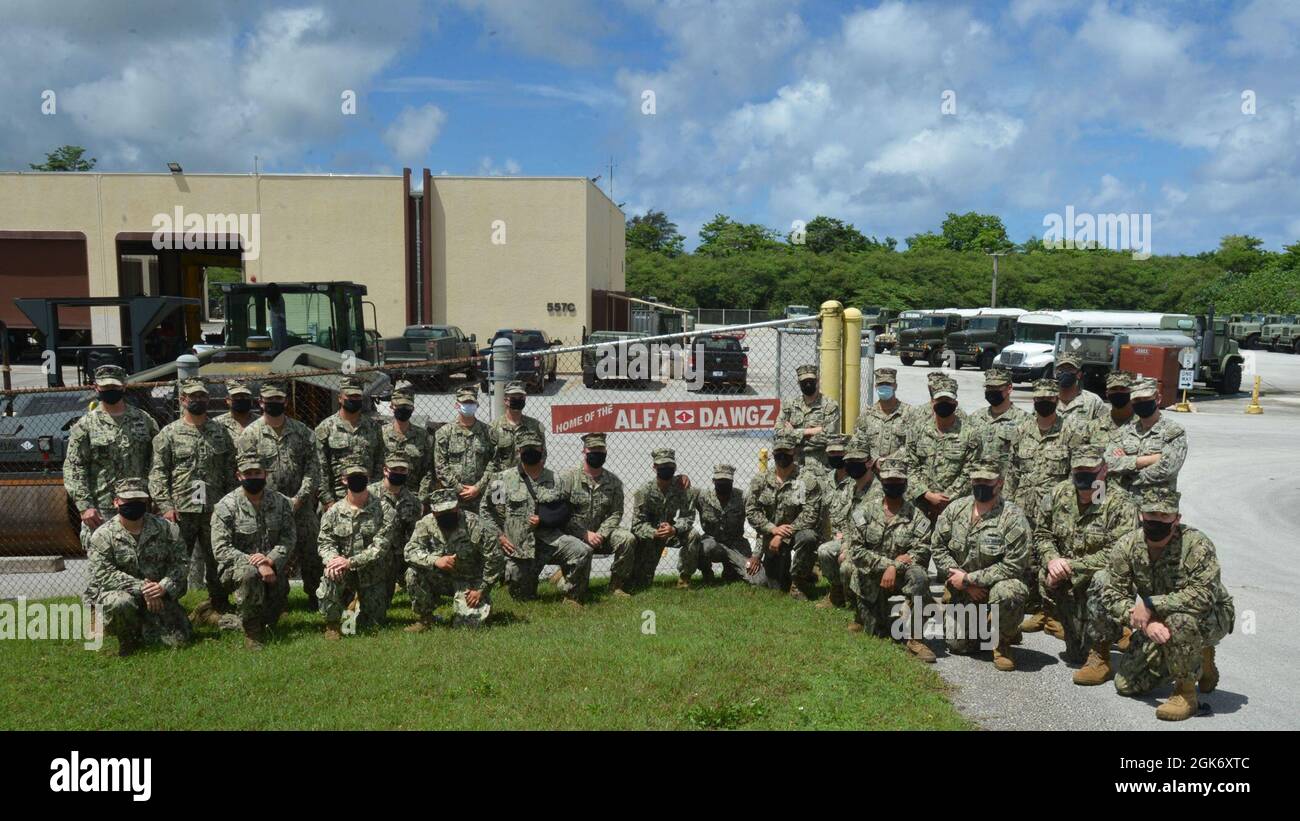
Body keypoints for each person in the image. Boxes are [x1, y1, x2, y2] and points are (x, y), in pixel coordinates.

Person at [1092, 488, 1234, 720]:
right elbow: (1112, 593)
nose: (1156, 521)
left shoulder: (1196, 544)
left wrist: (1150, 603)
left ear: (1176, 519)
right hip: (1158, 617)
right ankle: (1196, 657)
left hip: (1208, 615)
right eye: (1151, 515)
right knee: (1126, 684)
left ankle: (1186, 692)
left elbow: (1204, 595)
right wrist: (1144, 623)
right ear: (1141, 516)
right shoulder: (1128, 545)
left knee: (1180, 620)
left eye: (1164, 516)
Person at [1034, 444, 1139, 670]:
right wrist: (1052, 560)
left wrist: (1070, 566)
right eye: (1078, 470)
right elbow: (1042, 534)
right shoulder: (1058, 494)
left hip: (1096, 583)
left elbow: (1117, 554)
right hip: (1069, 585)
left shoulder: (1121, 503)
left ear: (1104, 470)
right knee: (1075, 656)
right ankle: (1097, 633)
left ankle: (1102, 653)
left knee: (1104, 579)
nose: (1084, 475)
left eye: (1090, 470)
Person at [1005, 377, 1089, 636]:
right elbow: (1012, 470)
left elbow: (1082, 473)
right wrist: (1006, 505)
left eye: (1049, 399)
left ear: (1056, 400)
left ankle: (1054, 615)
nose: (1043, 403)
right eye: (1039, 399)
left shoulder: (1073, 432)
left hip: (1057, 511)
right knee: (1026, 561)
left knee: (1051, 559)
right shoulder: (1021, 430)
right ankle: (1034, 610)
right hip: (1023, 508)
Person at [931, 459, 1031, 671]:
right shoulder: (955, 509)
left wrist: (970, 579)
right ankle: (992, 624)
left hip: (994, 587)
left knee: (1009, 591)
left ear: (1000, 483)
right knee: (959, 645)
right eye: (977, 480)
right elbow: (938, 548)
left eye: (987, 481)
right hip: (962, 589)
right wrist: (961, 582)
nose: (981, 485)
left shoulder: (1012, 517)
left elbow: (1014, 564)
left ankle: (1002, 642)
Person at [149, 379, 236, 617]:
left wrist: (229, 505)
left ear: (208, 399)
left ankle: (219, 603)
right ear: (182, 400)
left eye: (201, 396)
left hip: (214, 510)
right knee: (177, 561)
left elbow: (230, 470)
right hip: (181, 511)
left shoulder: (220, 432)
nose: (197, 400)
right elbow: (158, 473)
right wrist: (165, 505)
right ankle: (170, 606)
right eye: (192, 396)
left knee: (217, 559)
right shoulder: (169, 434)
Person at [238, 381, 323, 610]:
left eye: (278, 400)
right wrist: (274, 502)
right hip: (267, 510)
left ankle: (317, 598)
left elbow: (313, 470)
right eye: (269, 400)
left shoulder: (303, 432)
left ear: (285, 401)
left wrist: (299, 498)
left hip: (301, 507)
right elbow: (248, 473)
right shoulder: (250, 435)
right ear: (260, 402)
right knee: (273, 556)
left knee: (312, 554)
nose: (274, 404)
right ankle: (276, 601)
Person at [484, 429, 591, 606]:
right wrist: (500, 537)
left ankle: (572, 597)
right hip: (519, 547)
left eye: (534, 449)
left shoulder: (556, 479)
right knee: (523, 598)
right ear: (518, 451)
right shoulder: (500, 480)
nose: (530, 452)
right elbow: (488, 512)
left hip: (550, 541)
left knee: (581, 551)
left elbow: (568, 510)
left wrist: (549, 519)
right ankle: (524, 581)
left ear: (542, 451)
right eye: (526, 449)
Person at [85, 477, 192, 655]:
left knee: (178, 642)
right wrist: (144, 588)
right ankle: (127, 641)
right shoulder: (102, 535)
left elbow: (181, 563)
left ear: (146, 502)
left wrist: (163, 586)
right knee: (120, 603)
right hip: (123, 593)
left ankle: (148, 626)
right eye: (128, 501)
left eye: (139, 501)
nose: (134, 504)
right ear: (116, 502)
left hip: (158, 596)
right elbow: (104, 574)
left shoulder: (167, 529)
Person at [65, 364, 160, 552]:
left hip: (139, 505)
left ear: (124, 386)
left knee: (143, 563)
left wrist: (157, 498)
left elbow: (157, 462)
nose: (110, 391)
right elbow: (74, 467)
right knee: (103, 568)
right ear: (96, 387)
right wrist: (85, 507)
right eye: (105, 387)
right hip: (101, 509)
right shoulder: (85, 426)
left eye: (114, 387)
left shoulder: (143, 420)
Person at [846, 457, 934, 659]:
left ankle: (916, 638)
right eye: (888, 481)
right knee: (877, 633)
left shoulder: (917, 517)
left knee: (919, 577)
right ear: (881, 481)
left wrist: (895, 568)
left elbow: (922, 551)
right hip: (872, 580)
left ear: (905, 484)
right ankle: (864, 616)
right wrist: (891, 565)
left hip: (902, 579)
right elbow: (857, 552)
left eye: (898, 481)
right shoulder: (864, 512)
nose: (893, 485)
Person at [209, 451, 296, 649]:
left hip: (272, 567)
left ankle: (216, 617)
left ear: (265, 474)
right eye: (248, 474)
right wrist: (255, 562)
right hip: (236, 571)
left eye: (257, 473)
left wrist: (270, 560)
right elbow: (221, 549)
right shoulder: (225, 506)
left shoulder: (281, 502)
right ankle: (252, 634)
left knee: (269, 622)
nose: (253, 477)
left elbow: (289, 538)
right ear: (239, 476)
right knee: (250, 576)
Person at [316, 455, 394, 638]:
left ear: (368, 478)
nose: (357, 479)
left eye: (361, 475)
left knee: (374, 623)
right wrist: (333, 561)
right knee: (330, 576)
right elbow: (325, 542)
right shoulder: (333, 512)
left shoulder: (385, 510)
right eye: (352, 476)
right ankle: (332, 625)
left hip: (372, 572)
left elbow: (380, 546)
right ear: (343, 480)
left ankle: (356, 605)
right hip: (343, 572)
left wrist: (349, 562)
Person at [404, 488, 503, 629]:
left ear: (457, 507)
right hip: (440, 578)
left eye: (450, 510)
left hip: (469, 582)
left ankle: (482, 606)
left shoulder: (474, 524)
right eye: (441, 512)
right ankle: (426, 619)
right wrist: (435, 560)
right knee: (412, 573)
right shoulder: (426, 523)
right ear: (433, 511)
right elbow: (410, 551)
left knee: (466, 626)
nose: (446, 515)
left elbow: (495, 557)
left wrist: (481, 590)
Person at [745, 431, 823, 598]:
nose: (782, 456)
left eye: (786, 452)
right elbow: (752, 511)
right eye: (778, 452)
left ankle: (798, 582)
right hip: (769, 536)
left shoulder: (806, 480)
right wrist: (772, 529)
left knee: (808, 537)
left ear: (793, 452)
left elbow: (810, 514)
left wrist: (783, 534)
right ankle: (792, 575)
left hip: (796, 533)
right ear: (773, 454)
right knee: (775, 586)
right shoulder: (761, 480)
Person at [559, 433, 637, 593]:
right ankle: (566, 578)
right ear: (584, 451)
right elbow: (561, 513)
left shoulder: (614, 482)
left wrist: (601, 534)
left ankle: (616, 586)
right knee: (578, 589)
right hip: (574, 534)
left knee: (627, 539)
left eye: (600, 449)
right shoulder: (567, 478)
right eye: (592, 449)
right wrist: (584, 534)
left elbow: (616, 512)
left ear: (606, 451)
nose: (597, 453)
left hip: (603, 535)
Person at [903, 374, 979, 522]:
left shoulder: (970, 434)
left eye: (948, 400)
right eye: (940, 400)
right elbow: (910, 466)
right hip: (920, 505)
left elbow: (969, 471)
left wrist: (946, 498)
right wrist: (927, 494)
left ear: (955, 404)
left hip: (956, 507)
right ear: (932, 402)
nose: (944, 403)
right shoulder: (917, 430)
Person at [814, 442, 878, 610]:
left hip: (872, 546)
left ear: (869, 463)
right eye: (850, 461)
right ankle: (837, 594)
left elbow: (873, 533)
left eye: (858, 461)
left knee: (846, 566)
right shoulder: (853, 488)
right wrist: (845, 543)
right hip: (852, 540)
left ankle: (857, 603)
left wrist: (849, 549)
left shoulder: (877, 491)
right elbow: (850, 521)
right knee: (825, 550)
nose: (852, 466)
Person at [1104, 378, 1187, 495]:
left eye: (1146, 399)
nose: (1141, 403)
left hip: (1156, 506)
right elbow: (1108, 463)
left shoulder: (1174, 431)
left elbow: (1168, 469)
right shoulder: (1125, 429)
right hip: (1126, 504)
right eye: (1136, 400)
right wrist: (1148, 460)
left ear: (1158, 398)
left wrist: (1126, 470)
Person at [630, 448, 696, 593]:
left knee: (693, 535)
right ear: (654, 467)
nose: (666, 469)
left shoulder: (682, 488)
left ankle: (684, 579)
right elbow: (637, 525)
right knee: (642, 583)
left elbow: (688, 516)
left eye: (670, 467)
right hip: (652, 535)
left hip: (672, 531)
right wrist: (654, 532)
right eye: (662, 466)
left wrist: (675, 529)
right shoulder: (644, 491)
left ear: (675, 467)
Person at [315, 376, 385, 510]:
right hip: (335, 500)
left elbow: (380, 462)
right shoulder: (325, 428)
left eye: (357, 396)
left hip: (367, 498)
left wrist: (373, 494)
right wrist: (328, 501)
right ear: (340, 398)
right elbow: (320, 468)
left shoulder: (373, 427)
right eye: (349, 396)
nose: (353, 399)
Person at [679, 464, 752, 586]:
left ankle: (730, 571)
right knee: (703, 546)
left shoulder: (743, 497)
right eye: (720, 481)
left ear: (732, 481)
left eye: (726, 481)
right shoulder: (702, 496)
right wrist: (680, 477)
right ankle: (707, 572)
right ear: (713, 481)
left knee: (757, 579)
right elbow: (682, 490)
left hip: (736, 544)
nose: (723, 483)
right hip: (713, 542)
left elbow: (757, 516)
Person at [372, 452, 423, 611]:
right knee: (374, 613)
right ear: (385, 470)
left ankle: (423, 610)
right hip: (372, 556)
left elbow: (415, 534)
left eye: (403, 470)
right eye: (395, 469)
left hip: (398, 558)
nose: (399, 473)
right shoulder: (368, 495)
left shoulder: (413, 501)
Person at [433, 385, 493, 507]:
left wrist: (478, 487)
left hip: (480, 495)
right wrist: (458, 488)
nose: (468, 405)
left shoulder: (487, 432)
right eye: (465, 402)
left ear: (477, 405)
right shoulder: (445, 432)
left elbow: (493, 462)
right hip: (452, 495)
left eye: (471, 402)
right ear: (457, 405)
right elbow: (440, 465)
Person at [775, 363, 841, 469]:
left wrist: (793, 434)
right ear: (798, 383)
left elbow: (828, 437)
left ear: (817, 381)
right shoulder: (789, 405)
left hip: (820, 467)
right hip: (793, 466)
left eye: (811, 381)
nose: (808, 384)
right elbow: (778, 433)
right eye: (804, 382)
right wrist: (810, 431)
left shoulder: (830, 406)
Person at [382, 380, 435, 504]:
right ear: (391, 406)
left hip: (413, 496)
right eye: (400, 406)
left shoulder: (423, 436)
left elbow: (428, 471)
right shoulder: (381, 434)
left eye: (407, 406)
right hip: (385, 495)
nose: (403, 409)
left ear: (413, 408)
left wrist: (420, 499)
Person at [967, 368, 1029, 473]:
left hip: (1006, 485)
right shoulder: (975, 418)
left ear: (1009, 388)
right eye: (989, 388)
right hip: (977, 482)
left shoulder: (1024, 420)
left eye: (996, 387)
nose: (992, 391)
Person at [486, 380, 547, 474]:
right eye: (513, 397)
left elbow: (542, 455)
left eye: (521, 397)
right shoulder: (494, 427)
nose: (518, 400)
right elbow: (489, 459)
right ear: (505, 400)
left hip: (528, 478)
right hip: (503, 480)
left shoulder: (535, 426)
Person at [851, 367, 911, 461]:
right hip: (872, 470)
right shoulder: (867, 414)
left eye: (888, 384)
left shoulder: (908, 413)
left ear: (895, 386)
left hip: (899, 471)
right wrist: (874, 462)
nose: (884, 386)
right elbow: (858, 444)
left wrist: (888, 461)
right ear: (876, 386)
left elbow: (912, 445)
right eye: (881, 384)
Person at [1053, 353, 1106, 424]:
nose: (1065, 373)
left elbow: (1105, 428)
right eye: (1061, 369)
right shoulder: (1046, 400)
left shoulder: (1093, 401)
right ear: (1055, 373)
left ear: (1079, 374)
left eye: (1069, 369)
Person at [1087, 369, 1137, 444]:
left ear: (1132, 392)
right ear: (1107, 394)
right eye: (1114, 389)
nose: (1119, 392)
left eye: (1123, 389)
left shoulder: (1143, 424)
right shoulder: (1093, 426)